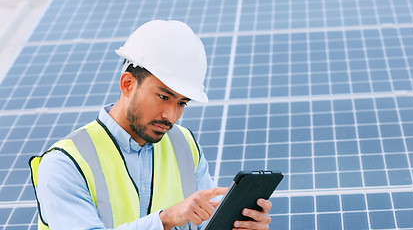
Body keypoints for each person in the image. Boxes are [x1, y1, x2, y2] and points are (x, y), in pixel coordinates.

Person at [29, 20, 272, 230]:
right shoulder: (64, 163)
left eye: (182, 103)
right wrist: (165, 220)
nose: (171, 115)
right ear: (127, 84)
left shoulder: (184, 144)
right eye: (163, 97)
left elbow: (205, 222)